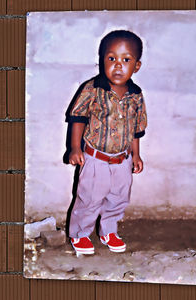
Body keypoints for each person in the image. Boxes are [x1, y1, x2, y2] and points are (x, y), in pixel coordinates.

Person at [66, 30, 147, 255]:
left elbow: (136, 129)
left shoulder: (136, 95)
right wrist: (74, 147)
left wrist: (136, 155)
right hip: (95, 158)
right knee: (90, 198)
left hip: (123, 159)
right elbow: (78, 118)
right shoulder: (92, 89)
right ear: (102, 61)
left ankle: (108, 230)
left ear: (136, 66)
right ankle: (80, 234)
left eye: (126, 60)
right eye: (112, 59)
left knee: (119, 198)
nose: (118, 66)